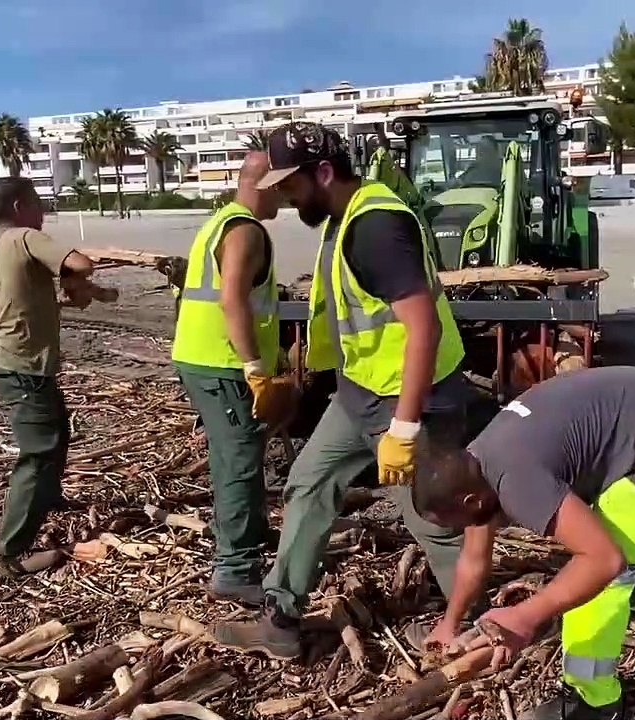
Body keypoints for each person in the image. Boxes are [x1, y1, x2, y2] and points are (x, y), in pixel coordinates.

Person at [213, 121, 472, 659]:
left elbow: (424, 326)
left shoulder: (374, 226)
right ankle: (280, 617)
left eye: (289, 183)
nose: (281, 195)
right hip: (360, 393)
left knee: (434, 519)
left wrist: (404, 426)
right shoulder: (342, 217)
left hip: (407, 398)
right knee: (308, 484)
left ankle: (476, 627)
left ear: (324, 172)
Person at [412, 366, 635, 720]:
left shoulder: (516, 481)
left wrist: (524, 616)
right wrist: (449, 623)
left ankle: (594, 699)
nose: (459, 530)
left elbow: (602, 562)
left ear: (470, 502)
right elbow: (474, 559)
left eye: (453, 523)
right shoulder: (476, 466)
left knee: (609, 573)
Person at [171, 151, 297, 606]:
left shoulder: (220, 220)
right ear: (264, 185)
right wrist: (256, 367)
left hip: (200, 358)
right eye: (281, 187)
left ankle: (253, 529)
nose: (285, 196)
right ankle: (236, 567)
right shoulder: (245, 231)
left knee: (240, 450)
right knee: (238, 460)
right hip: (221, 362)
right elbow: (232, 302)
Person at [0, 177, 100, 577]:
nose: (43, 212)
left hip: (13, 365)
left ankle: (48, 499)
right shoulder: (26, 237)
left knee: (57, 436)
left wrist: (74, 291)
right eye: (37, 203)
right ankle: (8, 552)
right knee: (38, 454)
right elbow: (81, 262)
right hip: (25, 370)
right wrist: (77, 272)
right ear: (18, 207)